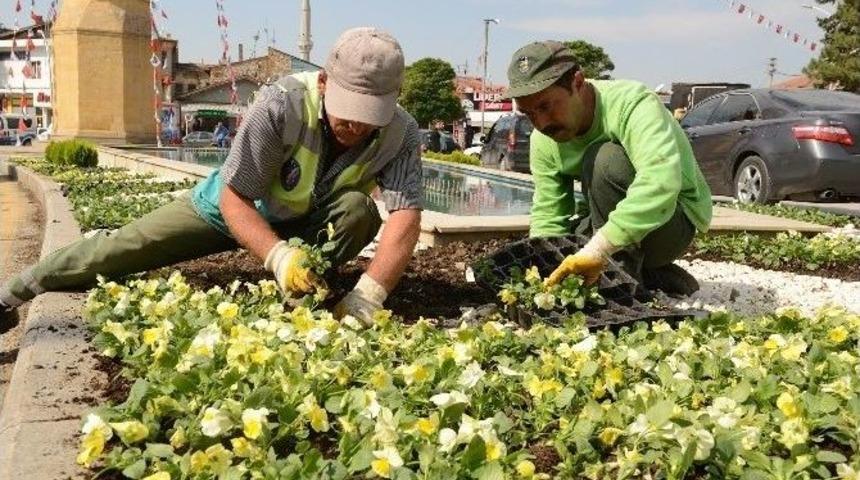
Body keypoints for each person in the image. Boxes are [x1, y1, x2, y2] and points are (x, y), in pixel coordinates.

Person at [0, 27, 423, 331]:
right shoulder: (281, 105)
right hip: (227, 209)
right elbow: (235, 197)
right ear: (325, 81)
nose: (355, 125)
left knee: (357, 210)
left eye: (369, 115)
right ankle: (15, 291)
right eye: (347, 108)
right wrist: (278, 257)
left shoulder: (401, 133)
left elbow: (405, 217)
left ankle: (304, 291)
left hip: (306, 221)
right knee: (121, 250)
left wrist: (370, 295)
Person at [503, 41, 712, 295]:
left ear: (577, 82)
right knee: (565, 242)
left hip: (671, 222)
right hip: (609, 222)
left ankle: (620, 283)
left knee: (604, 158)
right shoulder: (543, 139)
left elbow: (661, 183)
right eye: (529, 114)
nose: (541, 123)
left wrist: (598, 250)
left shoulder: (633, 103)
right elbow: (549, 213)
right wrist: (543, 271)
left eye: (546, 106)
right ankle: (651, 274)